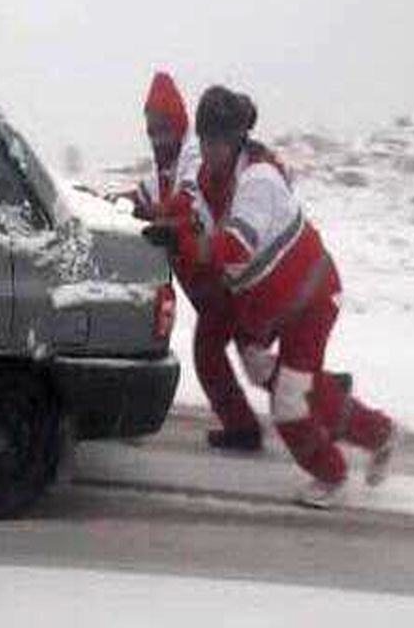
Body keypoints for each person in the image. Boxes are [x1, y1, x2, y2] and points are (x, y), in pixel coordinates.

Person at [172, 85, 399, 507]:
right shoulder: (210, 178)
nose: (211, 149)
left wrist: (184, 243)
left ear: (237, 138)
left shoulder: (259, 179)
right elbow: (194, 216)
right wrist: (171, 226)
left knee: (290, 402)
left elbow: (235, 245)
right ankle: (370, 426)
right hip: (271, 305)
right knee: (261, 368)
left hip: (310, 300)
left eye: (220, 140)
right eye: (205, 139)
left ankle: (332, 476)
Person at [132, 72, 267, 451]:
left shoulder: (193, 155)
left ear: (178, 123)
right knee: (252, 360)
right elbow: (145, 196)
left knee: (219, 356)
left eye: (162, 125)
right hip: (208, 280)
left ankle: (313, 401)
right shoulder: (162, 167)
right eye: (150, 126)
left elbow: (187, 202)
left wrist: (158, 217)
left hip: (219, 276)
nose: (155, 134)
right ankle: (306, 398)